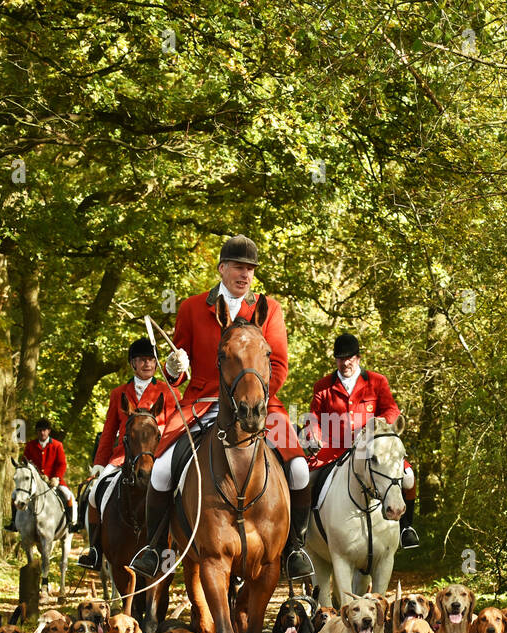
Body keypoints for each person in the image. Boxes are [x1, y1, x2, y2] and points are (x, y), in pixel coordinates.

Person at [129, 235, 315, 582]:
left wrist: (252, 399)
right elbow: (177, 374)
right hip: (202, 404)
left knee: (301, 469)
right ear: (222, 269)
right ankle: (154, 548)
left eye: (250, 269)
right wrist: (172, 366)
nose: (245, 275)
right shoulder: (190, 308)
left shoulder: (268, 310)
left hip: (257, 406)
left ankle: (294, 549)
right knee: (160, 471)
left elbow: (279, 366)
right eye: (238, 268)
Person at [303, 333, 419, 548]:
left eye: (349, 358)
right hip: (334, 449)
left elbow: (391, 409)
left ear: (358, 358)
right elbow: (314, 419)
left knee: (409, 477)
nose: (345, 362)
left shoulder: (376, 381)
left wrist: (382, 424)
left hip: (372, 448)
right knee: (305, 481)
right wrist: (314, 435)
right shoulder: (323, 386)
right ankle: (300, 537)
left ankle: (406, 527)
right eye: (340, 358)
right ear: (335, 359)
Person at [76, 338, 177, 570]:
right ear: (133, 364)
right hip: (123, 457)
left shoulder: (168, 392)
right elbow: (109, 432)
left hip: (157, 455)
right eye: (142, 360)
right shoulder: (118, 393)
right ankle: (94, 550)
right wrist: (99, 464)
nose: (148, 364)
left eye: (151, 360)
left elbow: (176, 427)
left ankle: (181, 543)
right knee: (93, 494)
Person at [5, 418, 73, 530]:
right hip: (35, 481)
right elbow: (24, 463)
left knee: (67, 495)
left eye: (45, 430)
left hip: (53, 480)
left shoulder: (57, 445)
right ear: (37, 432)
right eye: (40, 430)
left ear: (49, 431)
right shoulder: (30, 445)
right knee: (14, 495)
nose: (42, 432)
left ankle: (70, 523)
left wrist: (56, 477)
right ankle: (13, 522)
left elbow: (62, 464)